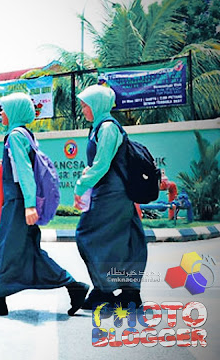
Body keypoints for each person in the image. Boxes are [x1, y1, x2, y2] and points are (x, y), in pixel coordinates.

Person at [0, 93, 88, 316]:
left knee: (6, 250)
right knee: (30, 253)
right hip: (19, 202)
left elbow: (25, 172)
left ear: (15, 111)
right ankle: (74, 286)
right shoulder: (26, 134)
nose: (1, 114)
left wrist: (28, 205)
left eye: (4, 109)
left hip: (17, 204)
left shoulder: (15, 136)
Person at [73, 85, 147, 309]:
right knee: (128, 239)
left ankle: (105, 290)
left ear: (97, 105)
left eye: (86, 105)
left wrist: (80, 186)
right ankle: (128, 291)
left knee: (87, 234)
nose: (83, 109)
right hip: (115, 193)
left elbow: (102, 165)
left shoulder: (107, 128)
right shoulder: (100, 128)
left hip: (112, 194)